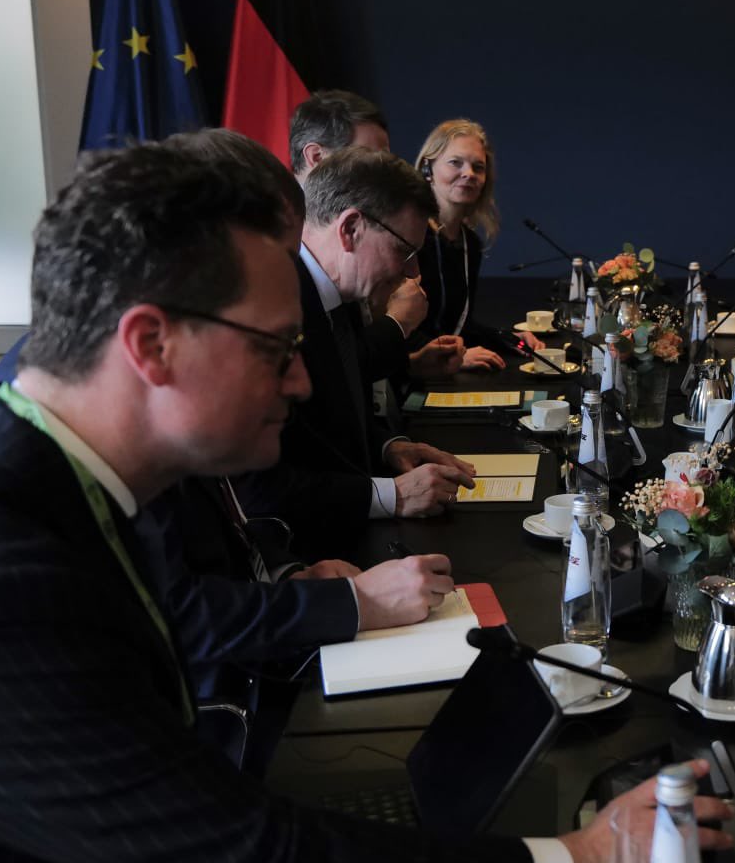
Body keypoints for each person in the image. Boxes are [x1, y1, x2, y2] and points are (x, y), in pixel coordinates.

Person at [0, 139, 731, 863]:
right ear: (150, 347)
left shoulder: (42, 468)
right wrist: (580, 857)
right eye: (276, 349)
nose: (302, 382)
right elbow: (236, 859)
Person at [232, 147, 478, 558]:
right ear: (350, 229)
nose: (413, 272)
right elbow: (257, 488)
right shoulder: (273, 305)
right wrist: (392, 495)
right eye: (404, 251)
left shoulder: (338, 292)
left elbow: (324, 423)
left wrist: (388, 447)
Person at [290, 90, 464, 381]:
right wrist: (396, 324)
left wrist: (410, 366)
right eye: (368, 156)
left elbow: (347, 371)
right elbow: (318, 378)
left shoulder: (347, 260)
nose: (413, 272)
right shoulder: (282, 271)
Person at [410, 118, 544, 371]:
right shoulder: (409, 235)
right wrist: (453, 356)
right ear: (428, 169)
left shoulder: (469, 243)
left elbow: (460, 327)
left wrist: (509, 339)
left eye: (478, 167)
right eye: (455, 162)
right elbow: (398, 329)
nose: (469, 173)